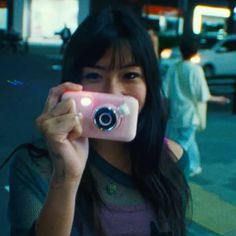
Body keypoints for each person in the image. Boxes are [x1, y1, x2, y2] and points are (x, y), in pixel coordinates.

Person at [8, 8, 190, 236]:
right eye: (94, 75)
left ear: (149, 84)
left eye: (130, 75)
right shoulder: (36, 166)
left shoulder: (172, 159)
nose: (113, 92)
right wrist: (65, 179)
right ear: (72, 84)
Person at [163, 37, 230, 178]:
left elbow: (165, 91)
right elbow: (202, 95)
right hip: (190, 114)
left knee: (188, 140)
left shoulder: (173, 68)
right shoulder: (196, 70)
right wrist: (219, 99)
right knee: (183, 143)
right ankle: (171, 166)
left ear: (181, 51)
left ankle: (195, 166)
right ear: (195, 52)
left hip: (176, 113)